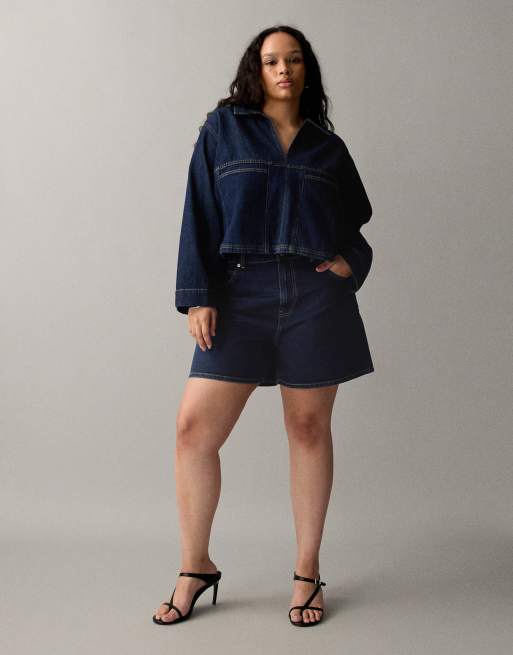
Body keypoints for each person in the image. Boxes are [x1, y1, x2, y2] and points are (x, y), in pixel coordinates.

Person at [153, 24, 375, 628]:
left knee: (308, 429)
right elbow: (199, 212)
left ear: (306, 70)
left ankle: (307, 572)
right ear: (257, 68)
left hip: (313, 297)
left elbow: (355, 223)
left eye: (294, 59)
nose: (283, 69)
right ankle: (195, 566)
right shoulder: (223, 130)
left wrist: (350, 262)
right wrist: (198, 296)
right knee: (194, 430)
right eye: (272, 60)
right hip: (239, 292)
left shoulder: (327, 148)